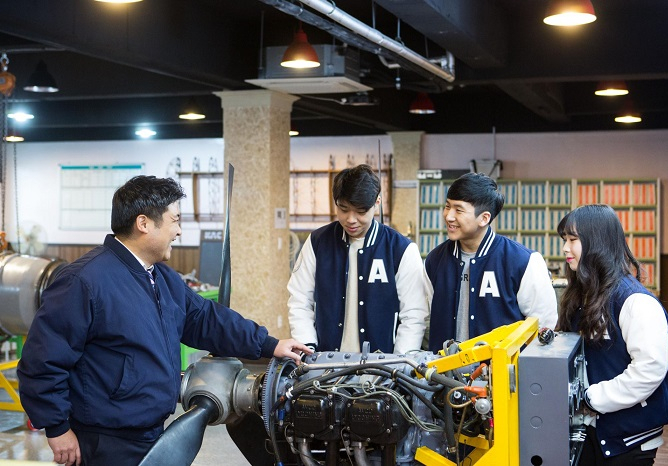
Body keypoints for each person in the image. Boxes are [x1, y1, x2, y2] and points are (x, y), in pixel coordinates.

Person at [17, 175, 311, 466]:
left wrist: (269, 344)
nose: (179, 231)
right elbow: (42, 361)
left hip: (151, 432)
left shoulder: (162, 278)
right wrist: (57, 428)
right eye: (175, 221)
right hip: (103, 441)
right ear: (144, 223)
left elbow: (207, 320)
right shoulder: (84, 281)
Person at [557, 204, 668, 465]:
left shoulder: (635, 301)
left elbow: (649, 370)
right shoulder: (584, 294)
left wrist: (592, 398)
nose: (565, 248)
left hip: (629, 436)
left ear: (597, 242)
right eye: (564, 240)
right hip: (593, 429)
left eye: (573, 240)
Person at [287, 164, 429, 354]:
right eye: (343, 209)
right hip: (325, 365)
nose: (351, 219)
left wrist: (399, 364)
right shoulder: (318, 243)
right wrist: (308, 349)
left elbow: (413, 315)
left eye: (361, 211)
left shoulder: (401, 249)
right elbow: (299, 300)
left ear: (377, 203)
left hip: (382, 369)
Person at [425, 172, 558, 352]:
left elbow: (543, 325)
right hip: (442, 374)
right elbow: (422, 318)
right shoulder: (435, 260)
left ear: (484, 218)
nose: (448, 216)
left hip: (500, 376)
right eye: (447, 206)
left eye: (459, 209)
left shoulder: (523, 261)